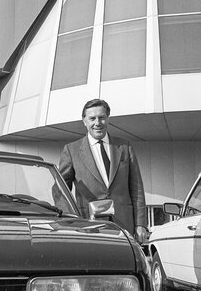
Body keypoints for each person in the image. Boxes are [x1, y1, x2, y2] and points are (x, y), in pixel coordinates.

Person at [58, 99, 148, 243]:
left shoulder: (125, 146)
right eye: (92, 118)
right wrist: (70, 220)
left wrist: (140, 224)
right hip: (88, 226)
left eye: (101, 117)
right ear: (84, 121)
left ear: (108, 119)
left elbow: (137, 189)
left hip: (124, 225)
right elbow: (59, 190)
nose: (97, 123)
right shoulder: (71, 150)